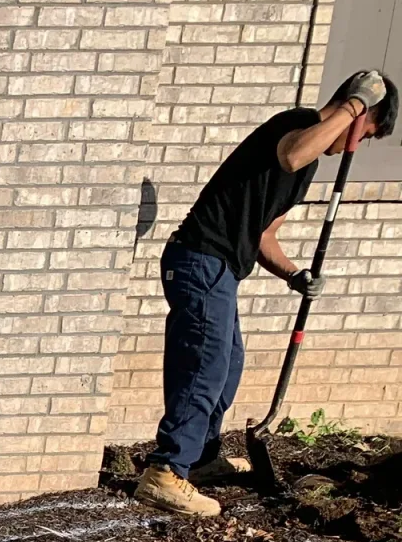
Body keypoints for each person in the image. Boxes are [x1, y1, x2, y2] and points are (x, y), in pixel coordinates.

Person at [135, 69, 396, 518]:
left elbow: (263, 235)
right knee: (203, 366)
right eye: (364, 134)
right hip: (199, 260)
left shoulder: (306, 166)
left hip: (220, 268)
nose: (353, 147)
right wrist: (356, 105)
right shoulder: (292, 126)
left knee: (227, 365)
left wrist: (295, 276)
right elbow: (293, 154)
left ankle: (198, 458)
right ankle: (165, 471)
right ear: (356, 112)